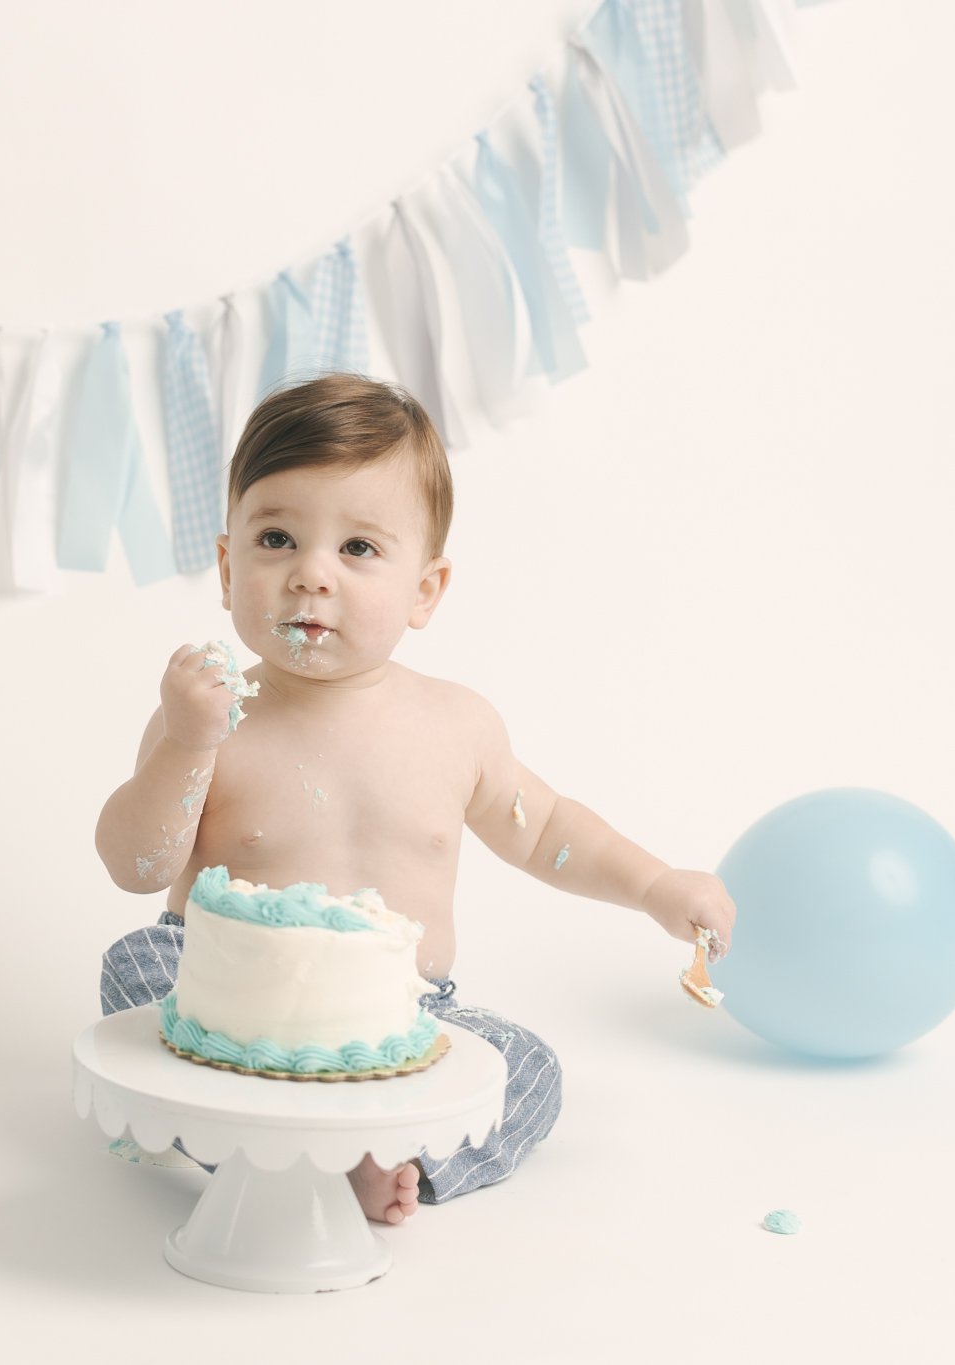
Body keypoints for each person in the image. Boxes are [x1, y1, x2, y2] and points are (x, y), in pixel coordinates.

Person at [93, 373, 737, 1225]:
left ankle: (381, 1158)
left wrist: (657, 886)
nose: (311, 576)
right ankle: (258, 1151)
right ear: (226, 564)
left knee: (529, 1068)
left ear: (426, 589)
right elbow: (137, 866)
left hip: (398, 1015)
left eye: (357, 549)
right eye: (278, 537)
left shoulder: (454, 726)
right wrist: (184, 742)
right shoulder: (214, 717)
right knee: (136, 966)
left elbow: (545, 829)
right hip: (229, 993)